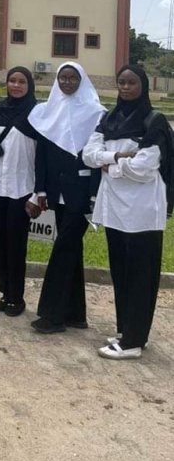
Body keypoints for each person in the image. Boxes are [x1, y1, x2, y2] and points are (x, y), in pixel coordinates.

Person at [83, 65, 171, 359]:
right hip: (116, 210)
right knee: (121, 272)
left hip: (143, 211)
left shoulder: (154, 121)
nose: (125, 87)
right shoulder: (108, 117)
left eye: (131, 82)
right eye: (121, 82)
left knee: (141, 275)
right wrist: (118, 157)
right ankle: (128, 331)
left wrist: (108, 165)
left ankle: (133, 342)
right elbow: (88, 154)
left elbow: (145, 168)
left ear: (143, 86)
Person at [26, 62, 105, 334]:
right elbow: (42, 155)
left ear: (82, 80)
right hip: (56, 193)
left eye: (72, 78)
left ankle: (52, 316)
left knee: (63, 249)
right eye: (63, 78)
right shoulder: (49, 111)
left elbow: (96, 158)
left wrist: (95, 195)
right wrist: (42, 190)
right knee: (71, 250)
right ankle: (75, 314)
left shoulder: (96, 113)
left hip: (81, 194)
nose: (67, 83)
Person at [0, 67, 39, 317]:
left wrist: (38, 193)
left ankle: (17, 297)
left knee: (17, 244)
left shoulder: (38, 114)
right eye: (12, 81)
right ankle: (4, 291)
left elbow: (43, 156)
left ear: (29, 85)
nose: (16, 85)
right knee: (0, 241)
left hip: (23, 189)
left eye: (21, 81)